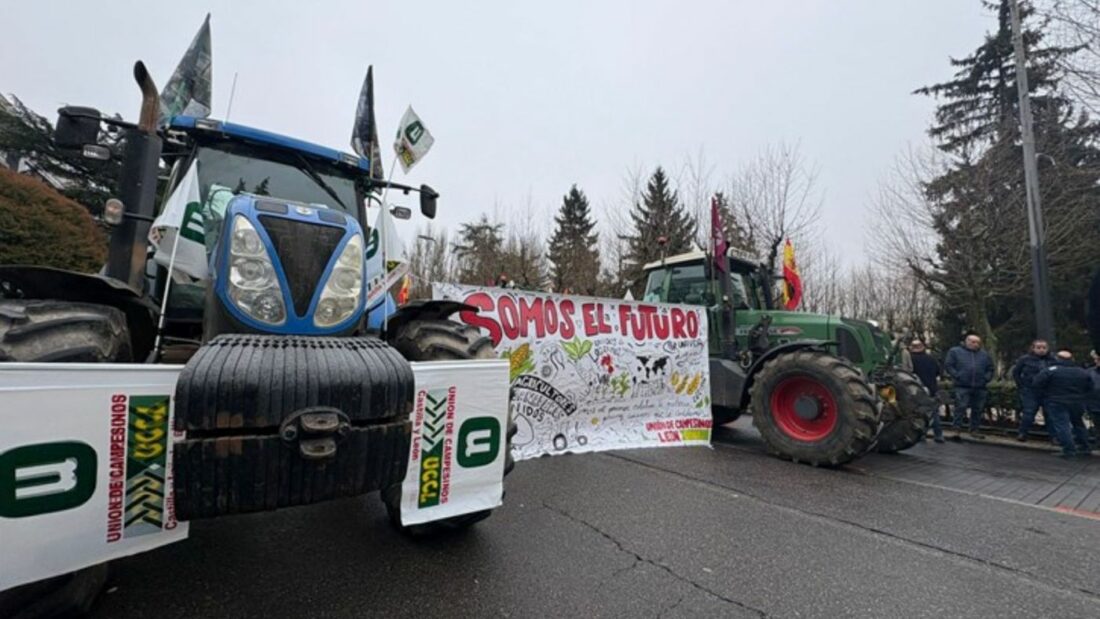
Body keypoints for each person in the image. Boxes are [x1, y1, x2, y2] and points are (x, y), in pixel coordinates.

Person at [1032, 349, 1093, 459]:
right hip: (1078, 402)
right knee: (1078, 424)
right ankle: (1084, 447)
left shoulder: (1051, 371)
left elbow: (1037, 383)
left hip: (1057, 401)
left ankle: (1069, 450)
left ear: (1057, 358)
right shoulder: (1081, 371)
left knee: (1062, 425)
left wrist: (1045, 395)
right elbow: (1090, 386)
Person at [944, 333, 994, 439]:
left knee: (978, 409)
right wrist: (957, 376)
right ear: (966, 341)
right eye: (973, 342)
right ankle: (956, 430)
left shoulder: (984, 355)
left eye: (977, 342)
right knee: (960, 407)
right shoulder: (955, 351)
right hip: (962, 385)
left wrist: (986, 379)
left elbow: (990, 368)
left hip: (980, 386)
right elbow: (949, 365)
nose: (975, 344)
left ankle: (974, 430)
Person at [1010, 339, 1053, 442]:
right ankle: (1023, 433)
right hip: (1030, 390)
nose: (1041, 350)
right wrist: (1021, 385)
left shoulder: (1052, 360)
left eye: (1044, 348)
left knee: (1050, 414)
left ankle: (1054, 436)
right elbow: (1016, 373)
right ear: (1033, 348)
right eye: (1038, 348)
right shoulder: (1025, 359)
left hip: (1047, 391)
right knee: (1028, 413)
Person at [908, 339, 944, 443]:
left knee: (919, 412)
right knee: (933, 412)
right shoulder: (931, 359)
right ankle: (938, 435)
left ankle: (922, 434)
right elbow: (938, 372)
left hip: (917, 389)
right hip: (932, 388)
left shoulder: (910, 359)